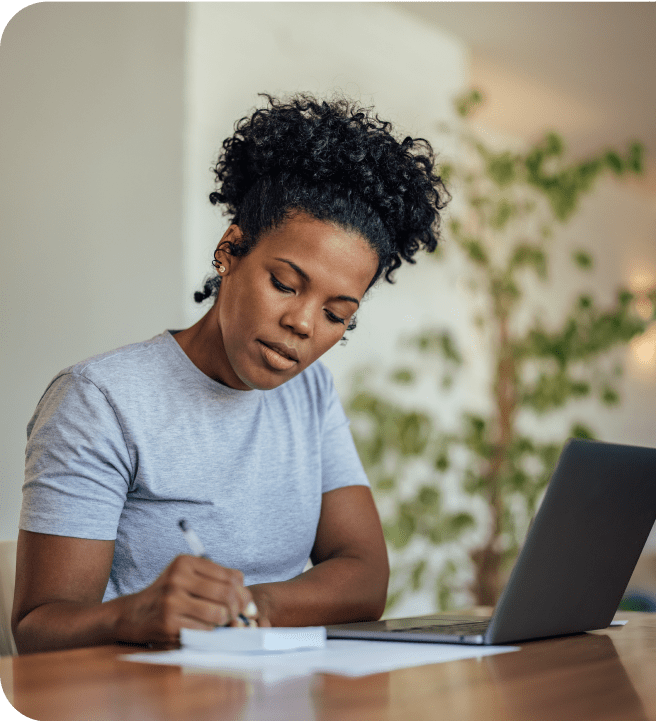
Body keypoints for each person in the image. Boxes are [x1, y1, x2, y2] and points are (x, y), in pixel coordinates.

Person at [12, 93, 449, 653]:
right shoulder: (101, 400)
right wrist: (131, 616)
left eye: (337, 313)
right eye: (286, 284)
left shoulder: (310, 392)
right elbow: (36, 630)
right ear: (231, 249)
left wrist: (245, 608)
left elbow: (365, 576)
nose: (302, 323)